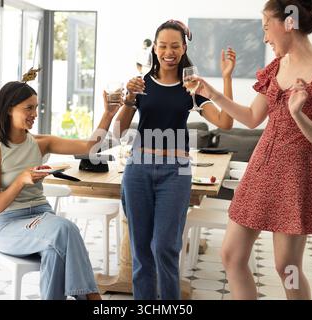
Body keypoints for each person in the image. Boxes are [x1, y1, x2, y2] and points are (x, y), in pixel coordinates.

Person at [190, 0, 312, 300]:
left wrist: (298, 114)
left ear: (287, 22)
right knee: (231, 255)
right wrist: (211, 93)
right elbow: (252, 118)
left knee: (287, 267)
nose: (265, 36)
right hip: (260, 169)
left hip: (296, 175)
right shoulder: (276, 67)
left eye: (266, 26)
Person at [114, 19, 235, 300]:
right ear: (154, 48)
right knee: (141, 250)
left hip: (175, 172)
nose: (169, 52)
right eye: (163, 46)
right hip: (138, 170)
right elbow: (119, 133)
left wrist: (226, 76)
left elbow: (226, 122)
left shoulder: (191, 87)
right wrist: (128, 99)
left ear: (184, 48)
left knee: (165, 247)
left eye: (175, 46)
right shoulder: (140, 84)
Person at [0, 71, 123, 300]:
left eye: (36, 107)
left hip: (42, 219)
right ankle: (92, 298)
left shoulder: (41, 143)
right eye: (28, 108)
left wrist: (107, 114)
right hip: (10, 227)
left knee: (54, 251)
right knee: (65, 229)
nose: (35, 114)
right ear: (9, 109)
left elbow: (89, 148)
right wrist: (20, 181)